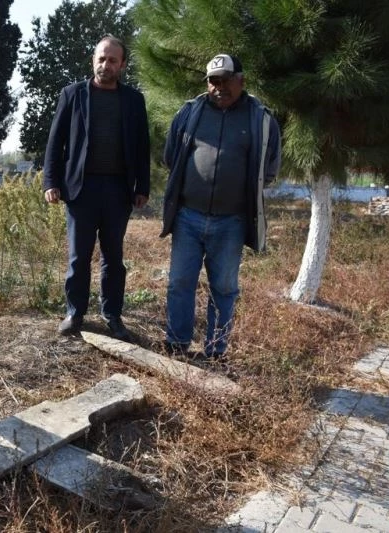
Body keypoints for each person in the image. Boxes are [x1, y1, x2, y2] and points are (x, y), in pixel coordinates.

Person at [161, 53, 281, 360]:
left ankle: (215, 351)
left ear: (241, 81)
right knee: (179, 283)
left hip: (231, 222)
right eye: (214, 81)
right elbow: (171, 157)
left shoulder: (260, 118)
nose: (219, 88)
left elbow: (268, 171)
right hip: (188, 217)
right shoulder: (190, 112)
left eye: (226, 80)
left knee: (224, 288)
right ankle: (177, 345)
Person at [43, 35, 150, 342]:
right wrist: (51, 182)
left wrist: (142, 185)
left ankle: (112, 315)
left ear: (123, 64)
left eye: (112, 60)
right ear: (93, 61)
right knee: (79, 257)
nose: (106, 65)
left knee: (113, 258)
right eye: (101, 59)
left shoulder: (133, 100)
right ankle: (75, 313)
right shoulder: (72, 94)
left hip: (118, 191)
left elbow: (143, 147)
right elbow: (55, 143)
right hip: (80, 190)